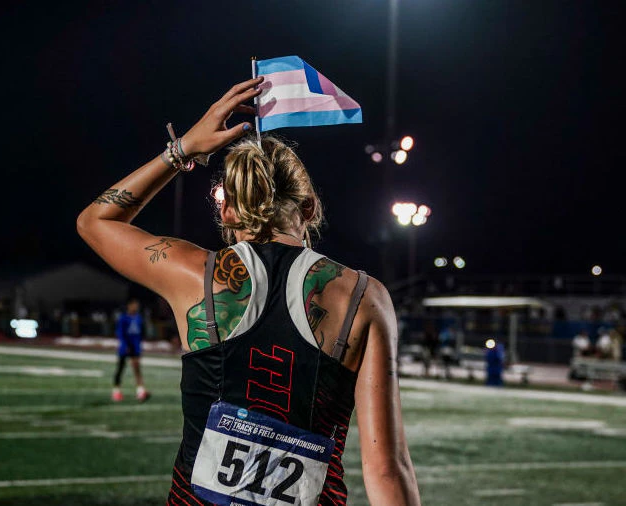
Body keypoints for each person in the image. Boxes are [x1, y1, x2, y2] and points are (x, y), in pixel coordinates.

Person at [76, 77, 420, 505]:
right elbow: (387, 468)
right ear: (309, 206)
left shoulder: (195, 274)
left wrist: (182, 149)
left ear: (225, 210)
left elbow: (96, 221)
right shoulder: (364, 297)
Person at [112, 299, 150, 402]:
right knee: (120, 368)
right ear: (129, 306)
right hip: (125, 347)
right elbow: (120, 333)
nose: (136, 307)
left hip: (135, 346)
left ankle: (140, 391)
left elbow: (141, 333)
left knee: (137, 368)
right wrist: (125, 345)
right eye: (134, 305)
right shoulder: (123, 318)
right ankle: (116, 391)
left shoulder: (138, 318)